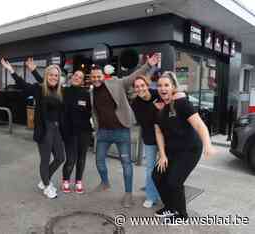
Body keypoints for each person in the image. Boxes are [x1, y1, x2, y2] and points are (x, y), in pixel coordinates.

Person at [90, 54, 159, 208]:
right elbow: (94, 112)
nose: (96, 79)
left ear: (104, 75)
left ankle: (128, 194)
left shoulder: (117, 83)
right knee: (99, 161)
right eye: (93, 77)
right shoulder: (91, 92)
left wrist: (148, 65)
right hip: (103, 133)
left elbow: (134, 76)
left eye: (98, 76)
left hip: (121, 131)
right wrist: (96, 128)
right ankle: (105, 182)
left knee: (126, 163)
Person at [152, 71, 216, 220]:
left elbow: (200, 125)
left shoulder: (181, 103)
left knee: (174, 181)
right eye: (160, 85)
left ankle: (182, 215)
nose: (163, 88)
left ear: (173, 87)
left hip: (190, 150)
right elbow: (159, 133)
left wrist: (208, 144)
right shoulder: (161, 109)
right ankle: (170, 207)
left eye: (166, 85)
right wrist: (162, 154)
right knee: (156, 176)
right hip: (172, 150)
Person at [1, 58, 65, 199]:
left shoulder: (59, 91)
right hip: (44, 129)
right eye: (51, 75)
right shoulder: (39, 89)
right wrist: (11, 70)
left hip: (56, 129)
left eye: (56, 75)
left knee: (60, 157)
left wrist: (34, 70)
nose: (54, 77)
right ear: (47, 76)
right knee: (45, 159)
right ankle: (47, 186)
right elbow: (23, 85)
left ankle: (44, 180)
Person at [27, 61, 92, 194]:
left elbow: (89, 111)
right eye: (75, 75)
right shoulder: (64, 90)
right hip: (56, 130)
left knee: (70, 158)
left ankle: (51, 179)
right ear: (71, 77)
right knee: (57, 159)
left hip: (71, 130)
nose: (77, 78)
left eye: (80, 77)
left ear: (82, 81)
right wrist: (33, 71)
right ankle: (54, 183)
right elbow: (46, 83)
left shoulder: (79, 93)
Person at [130, 75, 186, 208]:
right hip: (150, 139)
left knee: (169, 168)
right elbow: (145, 122)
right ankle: (151, 196)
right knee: (150, 169)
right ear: (135, 89)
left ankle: (168, 195)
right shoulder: (135, 103)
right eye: (137, 87)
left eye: (142, 85)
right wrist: (154, 109)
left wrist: (181, 95)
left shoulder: (158, 93)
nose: (140, 89)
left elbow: (173, 100)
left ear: (147, 85)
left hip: (167, 138)